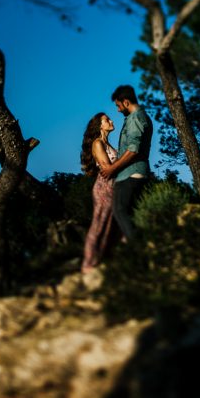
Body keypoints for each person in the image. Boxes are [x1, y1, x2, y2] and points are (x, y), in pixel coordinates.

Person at [100, 85, 153, 240]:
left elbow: (133, 150)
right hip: (133, 173)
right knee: (132, 215)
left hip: (131, 174)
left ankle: (138, 251)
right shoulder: (137, 117)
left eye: (118, 105)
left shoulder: (135, 118)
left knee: (119, 211)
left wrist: (112, 169)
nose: (117, 110)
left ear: (126, 102)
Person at [81, 112, 120, 271]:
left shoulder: (108, 144)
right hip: (104, 187)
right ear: (100, 126)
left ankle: (102, 260)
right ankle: (89, 264)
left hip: (114, 187)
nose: (111, 121)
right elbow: (106, 168)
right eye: (107, 120)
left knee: (111, 225)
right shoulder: (97, 143)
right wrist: (127, 159)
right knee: (99, 225)